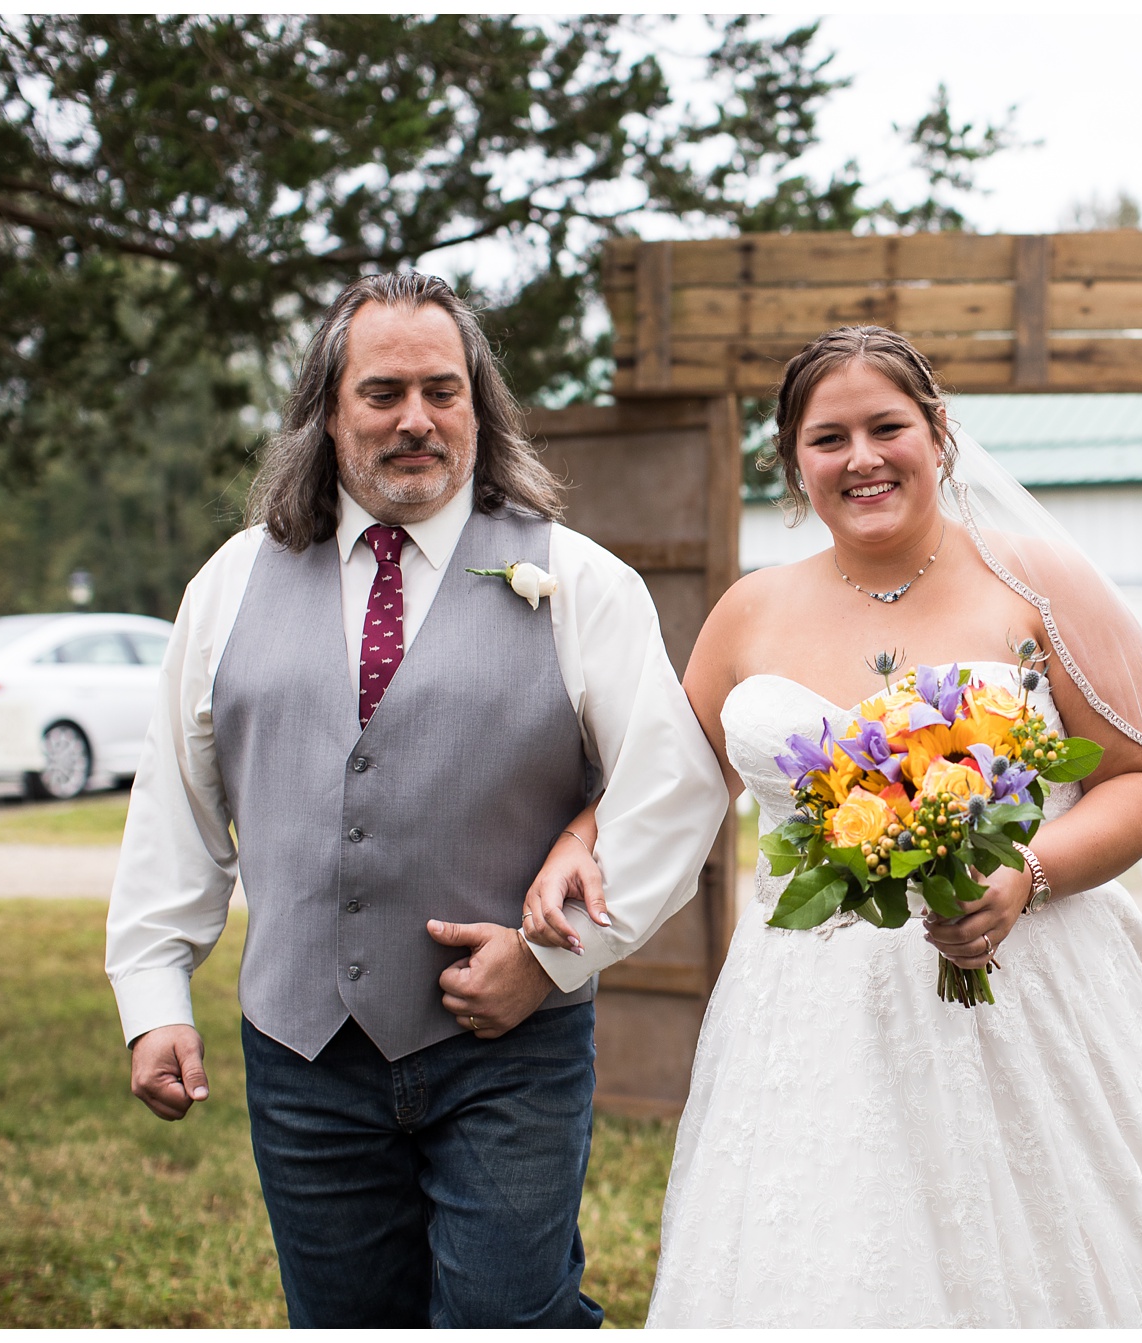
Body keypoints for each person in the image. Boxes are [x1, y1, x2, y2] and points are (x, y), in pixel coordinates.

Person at [526, 325, 1142, 1326]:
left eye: (886, 426)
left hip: (1031, 981)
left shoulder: (1038, 583)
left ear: (938, 434)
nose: (861, 457)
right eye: (828, 438)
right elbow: (668, 781)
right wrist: (580, 834)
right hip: (805, 1007)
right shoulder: (749, 612)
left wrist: (1023, 875)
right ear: (792, 461)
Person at [105, 272, 726, 1327]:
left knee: (507, 1312)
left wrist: (550, 956)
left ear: (478, 407)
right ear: (326, 411)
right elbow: (178, 800)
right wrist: (154, 992)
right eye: (382, 391)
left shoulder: (577, 581)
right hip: (301, 1053)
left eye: (443, 391)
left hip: (508, 1053)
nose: (415, 420)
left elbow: (673, 790)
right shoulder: (231, 583)